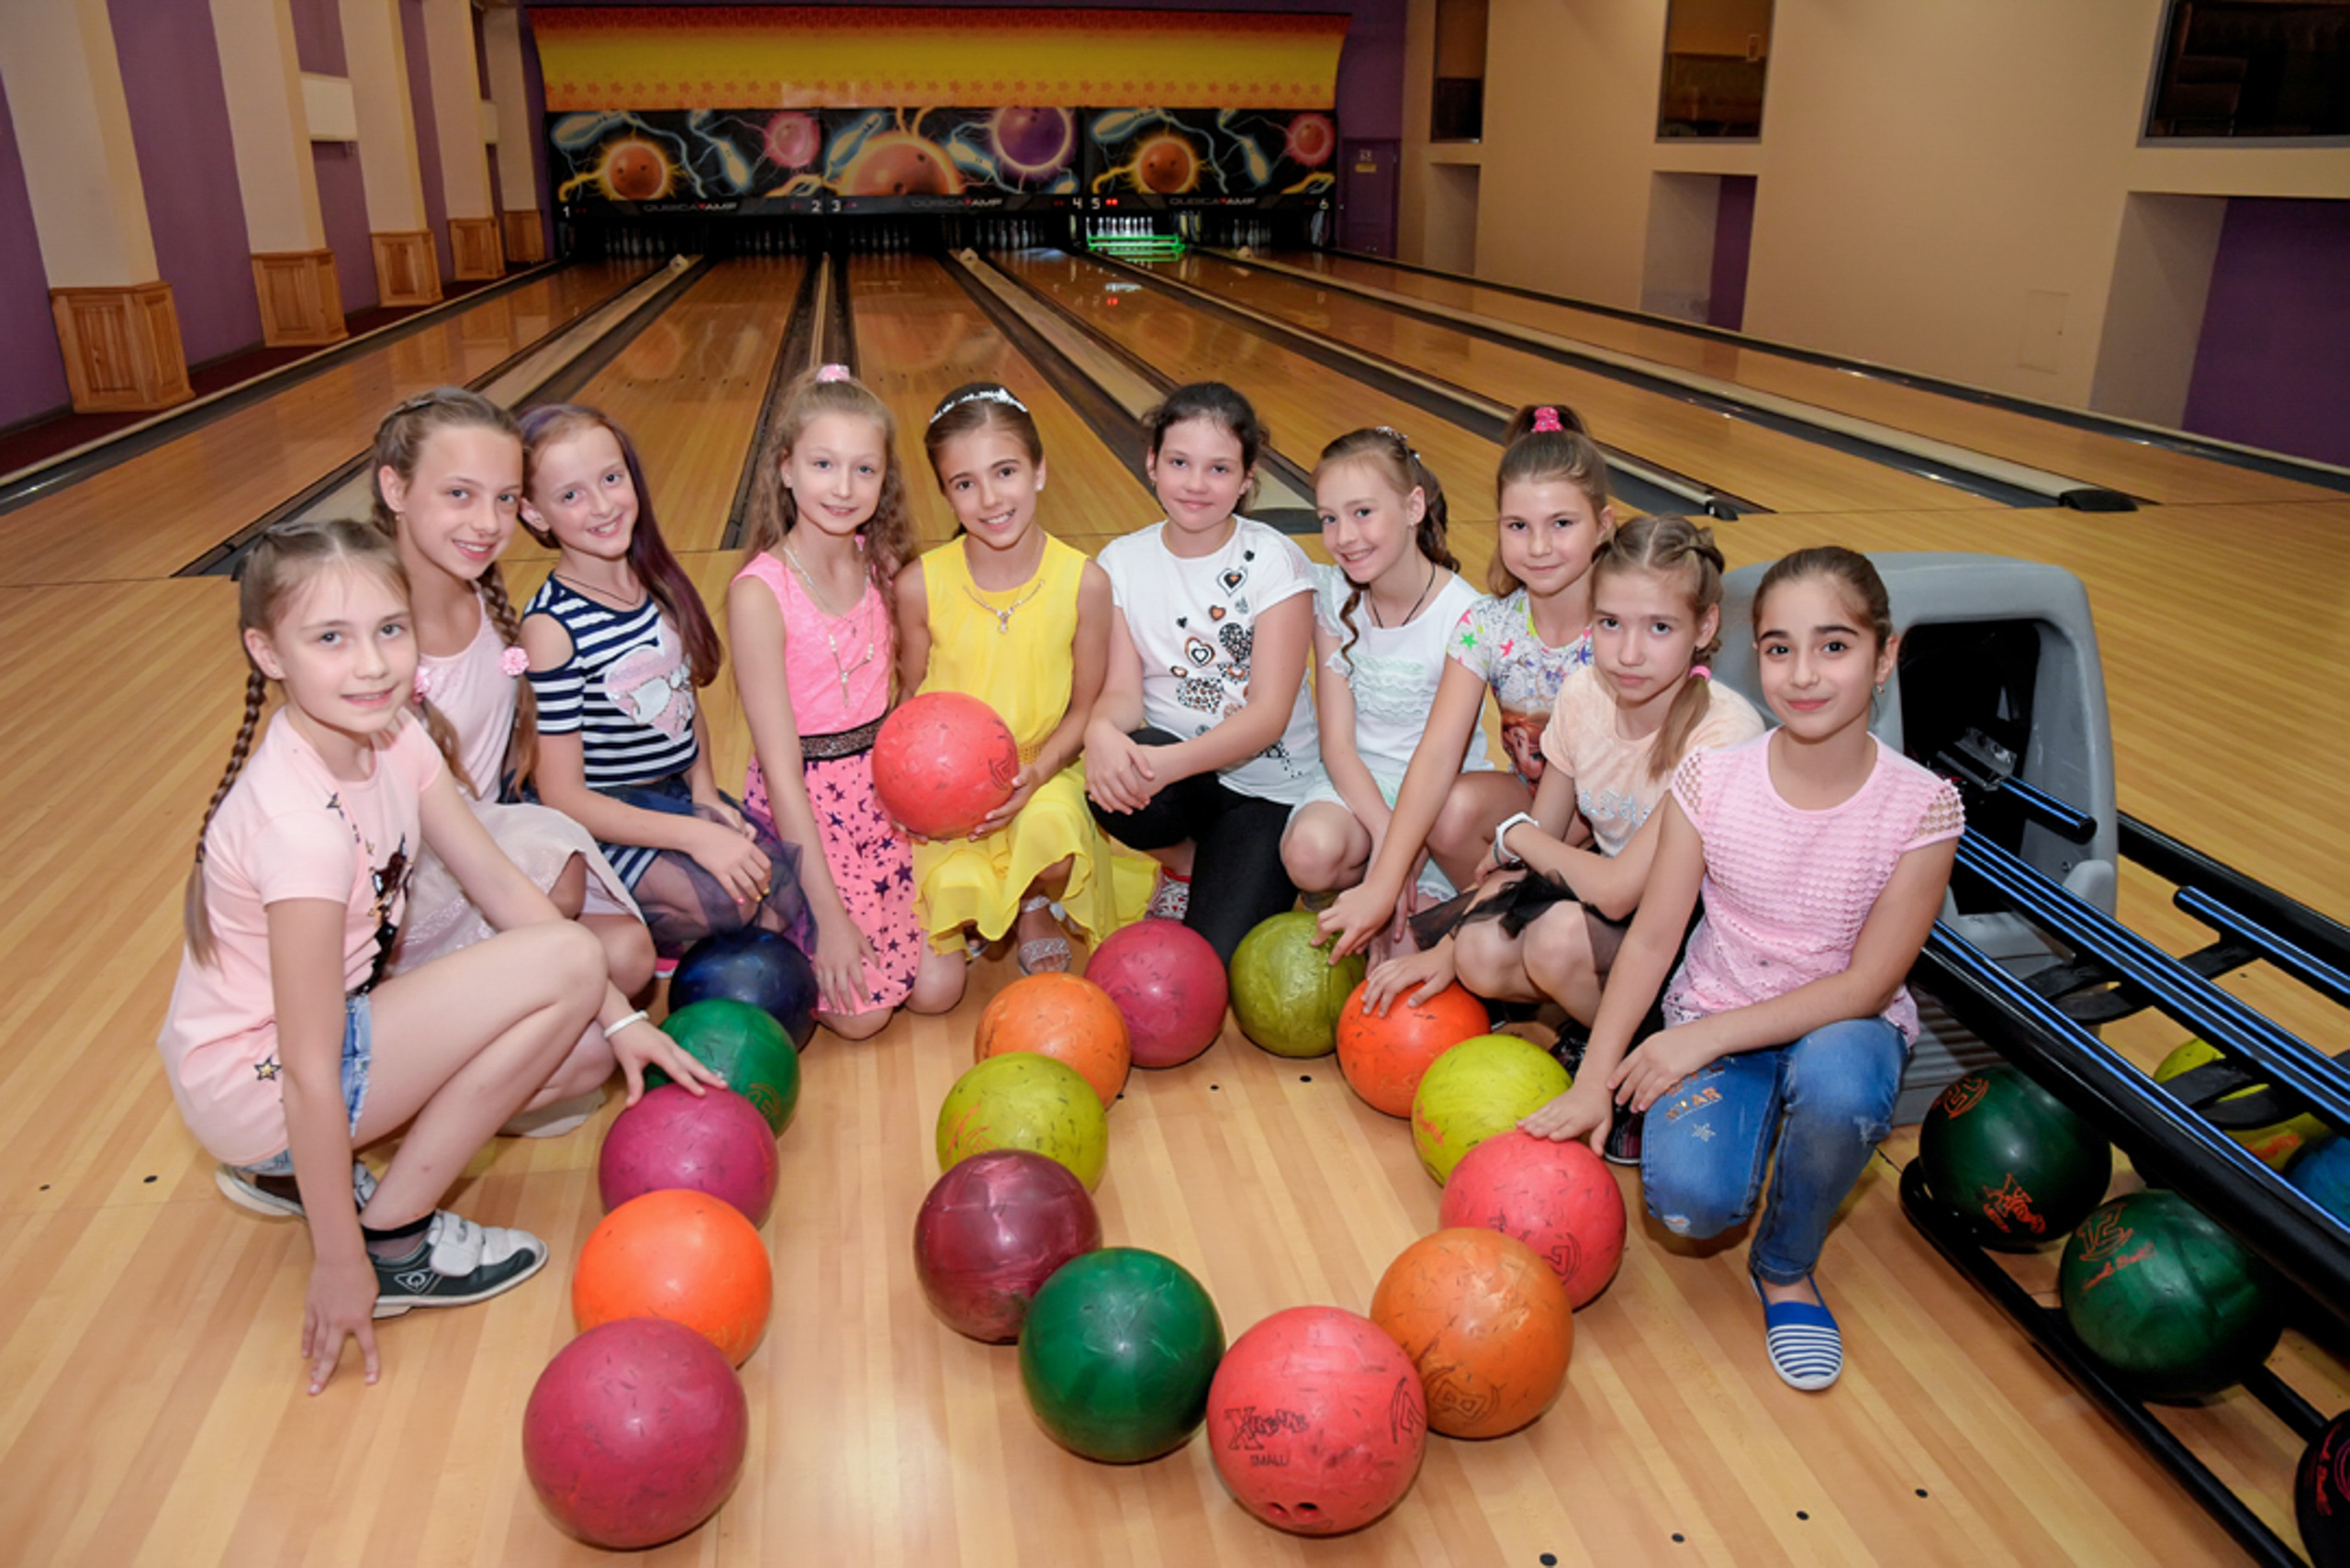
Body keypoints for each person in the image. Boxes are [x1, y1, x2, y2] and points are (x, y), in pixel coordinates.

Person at [157, 519, 720, 1394]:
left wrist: (621, 1022)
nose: (373, 664)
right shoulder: (297, 829)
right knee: (573, 961)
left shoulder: (395, 739)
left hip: (288, 1049)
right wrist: (342, 1264)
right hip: (260, 1077)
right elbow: (309, 1071)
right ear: (267, 652)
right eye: (330, 639)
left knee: (579, 1017)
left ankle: (294, 1174)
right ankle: (395, 1238)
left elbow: (497, 884)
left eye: (389, 629)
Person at [1522, 546, 1964, 1392]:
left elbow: (1868, 985)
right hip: (1720, 1009)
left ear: (1886, 654)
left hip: (1842, 1028)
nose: (1803, 674)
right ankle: (1766, 1135)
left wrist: (1696, 1043)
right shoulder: (1712, 778)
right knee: (1689, 1205)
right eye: (1778, 648)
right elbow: (1650, 940)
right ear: (1749, 652)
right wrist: (1596, 1079)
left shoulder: (1921, 806)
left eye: (1834, 646)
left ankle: (1786, 1265)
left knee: (1838, 1088)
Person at [369, 388, 653, 1136]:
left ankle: (458, 1065)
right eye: (458, 495)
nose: (486, 523)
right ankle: (381, 1101)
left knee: (625, 953)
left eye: (501, 498)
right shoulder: (370, 648)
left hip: (473, 865)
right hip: (398, 906)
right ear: (393, 488)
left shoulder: (485, 599)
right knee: (559, 881)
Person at [1318, 403, 1613, 962]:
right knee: (1451, 807)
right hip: (1531, 814)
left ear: (1603, 524)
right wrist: (1385, 879)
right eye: (1518, 526)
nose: (1540, 546)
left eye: (1562, 524)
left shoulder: (1621, 634)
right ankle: (1490, 929)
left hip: (1612, 827)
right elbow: (1436, 755)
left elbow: (1606, 797)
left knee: (1459, 942)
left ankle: (1488, 931)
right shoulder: (1488, 626)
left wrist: (1510, 866)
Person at [518, 404, 811, 962]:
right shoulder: (551, 628)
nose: (603, 506)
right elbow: (561, 796)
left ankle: (662, 905)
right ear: (533, 514)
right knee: (730, 903)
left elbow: (683, 702)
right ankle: (607, 914)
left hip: (671, 796)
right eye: (571, 496)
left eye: (611, 478)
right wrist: (695, 837)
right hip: (600, 821)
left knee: (773, 900)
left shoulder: (655, 585)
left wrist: (703, 797)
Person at [728, 365, 966, 1036]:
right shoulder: (760, 593)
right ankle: (799, 924)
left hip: (883, 795)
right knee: (865, 1019)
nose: (842, 486)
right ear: (785, 468)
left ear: (884, 478)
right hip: (805, 806)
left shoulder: (882, 565)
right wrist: (827, 915)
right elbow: (780, 770)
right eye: (823, 463)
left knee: (938, 991)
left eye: (864, 469)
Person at [893, 382, 1153, 972]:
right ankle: (994, 899)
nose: (989, 498)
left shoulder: (1083, 581)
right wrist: (918, 796)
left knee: (1054, 834)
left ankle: (1034, 902)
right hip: (952, 786)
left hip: (1048, 765)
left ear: (1038, 470)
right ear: (947, 495)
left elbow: (1086, 707)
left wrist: (1037, 774)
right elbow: (909, 702)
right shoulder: (918, 586)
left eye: (1005, 471)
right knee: (939, 968)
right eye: (965, 484)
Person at [1083, 382, 1322, 961]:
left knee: (1214, 956)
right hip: (1179, 781)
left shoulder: (1275, 561)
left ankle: (1242, 860)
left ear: (1246, 479)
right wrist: (1100, 733)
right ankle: (1187, 863)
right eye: (1179, 463)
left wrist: (1161, 764)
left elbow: (1267, 717)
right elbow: (1121, 694)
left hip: (1264, 790)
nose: (1195, 484)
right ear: (1151, 463)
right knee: (1110, 773)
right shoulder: (1122, 562)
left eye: (1218, 468)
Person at [1281, 427, 1484, 938]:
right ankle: (1349, 895)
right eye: (1329, 519)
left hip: (1440, 800)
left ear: (1414, 506)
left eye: (1362, 512)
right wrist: (1388, 835)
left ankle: (1400, 899)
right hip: (1358, 782)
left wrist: (1404, 853)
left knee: (1402, 951)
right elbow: (1338, 745)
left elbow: (1439, 759)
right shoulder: (1333, 598)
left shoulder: (1467, 614)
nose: (1344, 536)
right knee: (1308, 852)